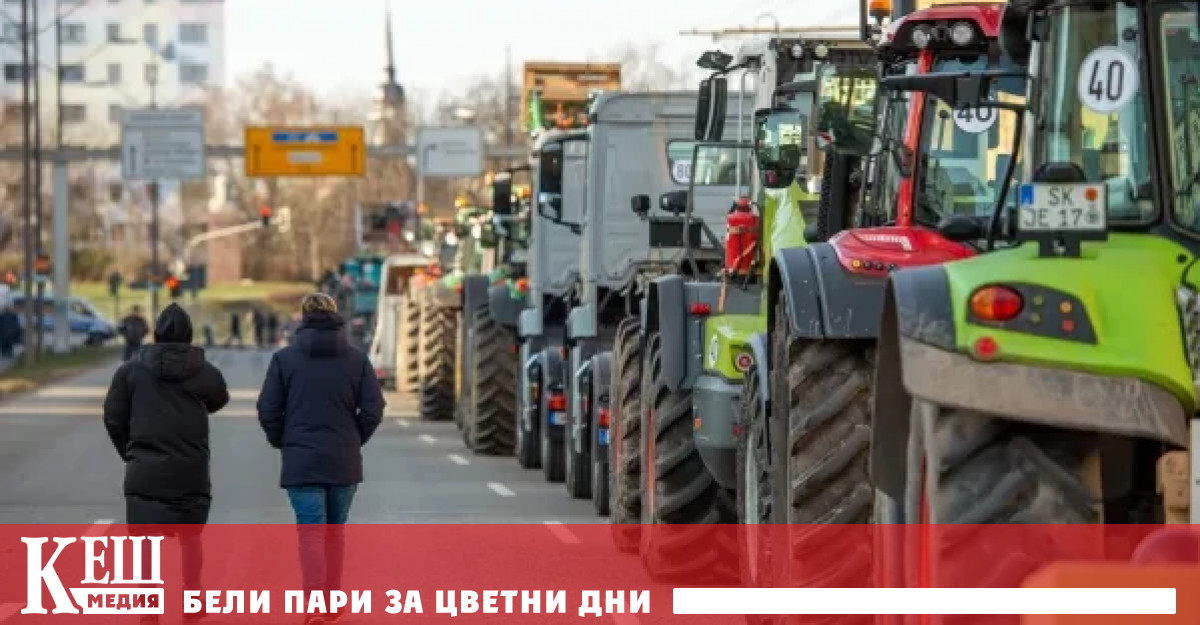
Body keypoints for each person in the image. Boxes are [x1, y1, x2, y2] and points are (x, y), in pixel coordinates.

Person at [256, 293, 385, 621]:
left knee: (311, 530)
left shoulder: (284, 360)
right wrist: (355, 438)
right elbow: (373, 408)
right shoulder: (356, 360)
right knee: (334, 531)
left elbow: (268, 409)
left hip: (302, 460)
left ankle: (315, 603)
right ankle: (329, 600)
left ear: (303, 317)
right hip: (343, 458)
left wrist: (283, 441)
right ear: (335, 315)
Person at [102, 304, 229, 625]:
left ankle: (149, 609)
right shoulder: (203, 370)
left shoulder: (130, 371)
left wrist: (131, 453)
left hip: (145, 469)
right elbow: (219, 399)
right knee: (191, 539)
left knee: (146, 544)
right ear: (188, 335)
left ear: (155, 333)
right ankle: (192, 596)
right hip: (191, 469)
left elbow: (114, 418)